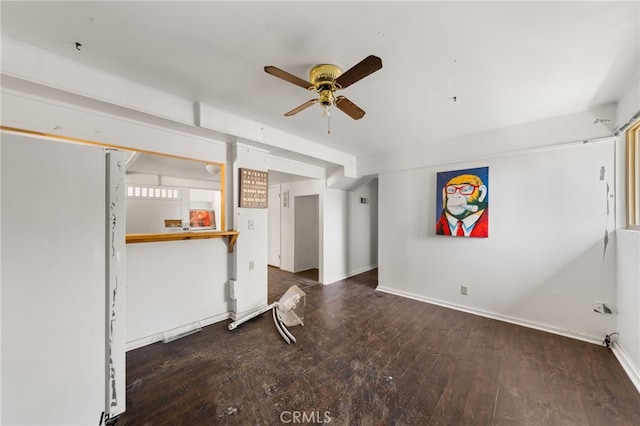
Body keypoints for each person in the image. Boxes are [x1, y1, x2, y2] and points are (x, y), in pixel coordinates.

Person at [436, 173, 488, 237]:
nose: (455, 196)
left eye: (465, 190)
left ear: (481, 193)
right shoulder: (439, 226)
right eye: (451, 190)